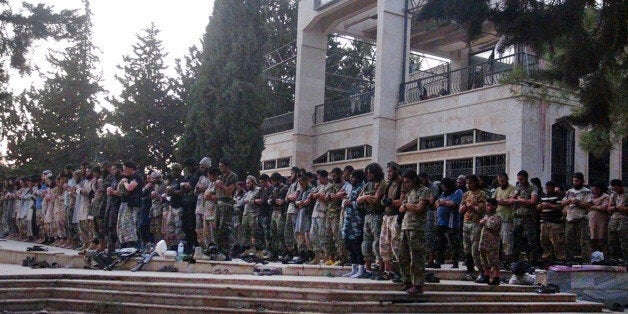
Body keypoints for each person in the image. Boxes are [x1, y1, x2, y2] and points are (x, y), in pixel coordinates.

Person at [398, 169, 432, 295]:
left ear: (414, 180)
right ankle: (407, 281)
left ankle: (418, 284)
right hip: (406, 226)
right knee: (403, 256)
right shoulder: (410, 192)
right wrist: (406, 206)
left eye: (407, 182)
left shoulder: (424, 190)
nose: (406, 184)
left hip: (417, 228)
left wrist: (407, 206)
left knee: (417, 257)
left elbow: (419, 208)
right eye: (404, 182)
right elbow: (401, 207)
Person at [356, 163, 386, 278]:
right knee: (366, 243)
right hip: (368, 215)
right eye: (367, 172)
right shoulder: (368, 185)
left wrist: (366, 197)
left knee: (377, 243)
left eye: (370, 172)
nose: (368, 175)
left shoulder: (382, 184)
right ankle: (367, 269)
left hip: (377, 215)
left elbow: (376, 199)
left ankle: (380, 268)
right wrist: (365, 197)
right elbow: (359, 199)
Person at [376, 161, 405, 280]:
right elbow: (383, 200)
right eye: (387, 171)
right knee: (384, 244)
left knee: (396, 245)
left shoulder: (402, 183)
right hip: (386, 216)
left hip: (396, 216)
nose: (388, 173)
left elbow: (403, 201)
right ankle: (388, 272)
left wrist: (391, 202)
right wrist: (385, 201)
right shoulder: (388, 184)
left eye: (391, 171)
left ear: (397, 170)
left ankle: (400, 272)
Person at [460, 174, 486, 282]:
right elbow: (460, 210)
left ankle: (481, 271)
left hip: (476, 222)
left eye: (470, 182)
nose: (468, 185)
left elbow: (481, 209)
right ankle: (470, 271)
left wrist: (472, 207)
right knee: (466, 248)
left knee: (475, 248)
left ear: (475, 182)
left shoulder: (481, 194)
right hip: (466, 222)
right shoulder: (465, 194)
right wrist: (465, 207)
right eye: (467, 183)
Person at [562, 172, 592, 264]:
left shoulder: (587, 191)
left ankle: (586, 261)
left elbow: (589, 205)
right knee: (568, 241)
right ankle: (569, 260)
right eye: (574, 181)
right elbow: (562, 203)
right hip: (570, 219)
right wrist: (569, 200)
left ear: (582, 181)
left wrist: (577, 202)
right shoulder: (569, 191)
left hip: (581, 219)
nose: (575, 183)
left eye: (577, 181)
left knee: (584, 241)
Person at [510, 170, 539, 264]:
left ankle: (533, 260)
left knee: (531, 240)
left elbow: (533, 201)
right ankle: (515, 260)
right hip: (518, 217)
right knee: (516, 240)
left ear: (526, 178)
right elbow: (511, 199)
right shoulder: (518, 187)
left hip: (528, 217)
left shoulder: (533, 188)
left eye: (521, 179)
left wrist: (520, 200)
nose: (520, 181)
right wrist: (521, 200)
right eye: (518, 179)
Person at [342, 169, 365, 277]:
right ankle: (353, 268)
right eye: (350, 177)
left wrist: (351, 203)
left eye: (353, 177)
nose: (351, 179)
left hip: (357, 222)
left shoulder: (362, 188)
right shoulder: (353, 188)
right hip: (349, 221)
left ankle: (361, 269)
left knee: (357, 245)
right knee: (349, 245)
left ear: (359, 178)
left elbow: (363, 204)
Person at [435, 178, 462, 268]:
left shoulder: (457, 192)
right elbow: (437, 203)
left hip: (451, 223)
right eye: (442, 186)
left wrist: (443, 202)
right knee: (439, 243)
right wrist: (441, 202)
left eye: (445, 186)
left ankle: (455, 262)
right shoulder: (443, 193)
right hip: (440, 222)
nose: (443, 188)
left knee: (453, 243)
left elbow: (453, 203)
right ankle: (439, 261)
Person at [537, 181, 566, 264]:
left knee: (557, 241)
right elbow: (538, 207)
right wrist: (541, 205)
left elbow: (560, 207)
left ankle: (560, 257)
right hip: (544, 221)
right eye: (546, 188)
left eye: (549, 188)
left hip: (555, 222)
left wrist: (550, 205)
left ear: (553, 187)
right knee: (544, 240)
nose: (548, 190)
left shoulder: (558, 196)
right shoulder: (543, 196)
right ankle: (547, 257)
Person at [117, 162, 143, 249]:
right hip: (124, 203)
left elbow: (130, 187)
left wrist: (124, 182)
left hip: (132, 204)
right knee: (120, 224)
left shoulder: (137, 177)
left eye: (125, 169)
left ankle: (133, 245)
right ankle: (123, 244)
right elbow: (119, 191)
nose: (124, 171)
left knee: (128, 224)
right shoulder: (126, 178)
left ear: (131, 168)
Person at [215, 158, 238, 258]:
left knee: (225, 228)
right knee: (217, 228)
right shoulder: (221, 176)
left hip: (227, 203)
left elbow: (230, 190)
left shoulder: (232, 176)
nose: (220, 167)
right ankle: (220, 249)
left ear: (226, 166)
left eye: (221, 165)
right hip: (219, 203)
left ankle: (227, 252)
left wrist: (221, 185)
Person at [492, 172, 516, 266]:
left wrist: (502, 202)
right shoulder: (498, 189)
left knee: (507, 241)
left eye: (502, 181)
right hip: (497, 219)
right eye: (499, 181)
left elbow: (510, 201)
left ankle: (508, 262)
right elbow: (493, 201)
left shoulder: (512, 188)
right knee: (497, 241)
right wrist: (499, 201)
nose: (501, 183)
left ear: (507, 180)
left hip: (507, 219)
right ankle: (499, 261)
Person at [309, 170, 331, 264]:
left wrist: (318, 196)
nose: (319, 179)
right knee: (313, 235)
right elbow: (312, 195)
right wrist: (317, 195)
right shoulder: (319, 186)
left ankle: (326, 255)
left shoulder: (330, 186)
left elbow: (325, 198)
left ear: (325, 177)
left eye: (320, 178)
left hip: (323, 214)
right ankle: (317, 256)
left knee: (323, 235)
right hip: (315, 213)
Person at [324, 167, 344, 265]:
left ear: (340, 175)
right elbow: (325, 197)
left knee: (338, 237)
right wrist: (330, 196)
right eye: (332, 175)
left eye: (335, 175)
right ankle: (331, 257)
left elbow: (342, 196)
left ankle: (341, 258)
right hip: (329, 214)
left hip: (337, 214)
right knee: (329, 237)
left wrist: (335, 195)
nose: (333, 177)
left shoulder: (344, 185)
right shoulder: (331, 186)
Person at [479, 198, 502, 285]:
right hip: (484, 241)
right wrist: (484, 221)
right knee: (484, 260)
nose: (487, 207)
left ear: (495, 206)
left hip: (492, 242)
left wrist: (485, 222)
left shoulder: (497, 216)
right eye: (486, 205)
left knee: (493, 260)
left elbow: (494, 226)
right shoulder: (487, 215)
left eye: (489, 205)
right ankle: (486, 276)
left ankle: (496, 277)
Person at [267, 172, 288, 261]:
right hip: (274, 211)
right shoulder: (274, 188)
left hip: (281, 212)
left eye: (273, 181)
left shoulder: (285, 188)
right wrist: (271, 201)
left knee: (281, 234)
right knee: (273, 233)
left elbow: (285, 200)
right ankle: (274, 253)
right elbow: (270, 200)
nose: (272, 183)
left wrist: (282, 201)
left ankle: (285, 252)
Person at [607, 179, 627, 265]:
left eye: (615, 188)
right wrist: (618, 208)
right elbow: (609, 208)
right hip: (613, 219)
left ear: (619, 186)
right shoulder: (613, 195)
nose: (614, 190)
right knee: (612, 240)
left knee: (624, 241)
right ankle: (613, 259)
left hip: (625, 219)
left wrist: (619, 208)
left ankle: (625, 259)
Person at [588, 182, 609, 255]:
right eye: (593, 189)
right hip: (591, 222)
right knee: (592, 240)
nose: (595, 191)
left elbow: (604, 208)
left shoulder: (606, 196)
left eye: (596, 189)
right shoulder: (589, 196)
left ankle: (605, 257)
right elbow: (586, 206)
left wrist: (592, 207)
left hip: (601, 222)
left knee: (601, 240)